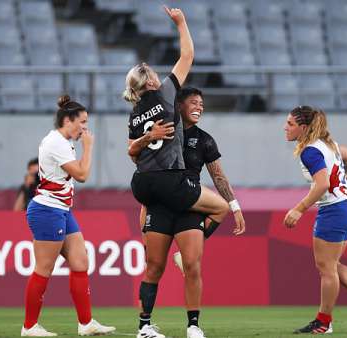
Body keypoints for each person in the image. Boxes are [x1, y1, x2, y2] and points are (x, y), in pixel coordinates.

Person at [124, 7, 228, 338]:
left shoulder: (135, 114)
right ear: (151, 81)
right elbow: (188, 54)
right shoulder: (165, 92)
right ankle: (193, 326)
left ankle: (144, 327)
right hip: (173, 184)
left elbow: (131, 152)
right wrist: (181, 23)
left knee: (153, 267)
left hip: (145, 186)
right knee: (222, 208)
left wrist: (147, 138)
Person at [134, 88, 247, 338]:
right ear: (179, 106)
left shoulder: (204, 139)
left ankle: (193, 326)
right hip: (160, 208)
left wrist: (235, 205)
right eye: (194, 102)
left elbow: (218, 175)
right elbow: (145, 171)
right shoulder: (162, 133)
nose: (200, 107)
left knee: (193, 266)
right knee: (153, 267)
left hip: (189, 208)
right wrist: (143, 214)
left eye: (202, 103)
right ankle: (144, 327)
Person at [283, 105, 347, 334]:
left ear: (303, 127)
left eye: (290, 124)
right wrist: (344, 184)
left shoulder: (310, 151)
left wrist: (299, 209)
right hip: (346, 206)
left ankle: (324, 321)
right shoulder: (326, 144)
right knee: (332, 265)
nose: (285, 127)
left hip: (334, 210)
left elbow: (321, 184)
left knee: (326, 268)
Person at [21, 95, 115, 337]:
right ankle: (29, 326)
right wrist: (90, 146)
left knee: (80, 261)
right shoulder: (57, 143)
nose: (85, 128)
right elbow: (82, 175)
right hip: (47, 210)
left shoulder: (63, 141)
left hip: (60, 209)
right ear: (68, 120)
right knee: (44, 268)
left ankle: (86, 323)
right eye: (82, 122)